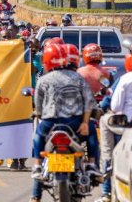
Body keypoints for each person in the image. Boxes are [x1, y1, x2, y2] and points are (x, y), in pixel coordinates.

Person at [30, 44, 98, 202]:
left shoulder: (43, 79)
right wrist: (85, 122)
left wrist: (38, 113)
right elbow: (89, 102)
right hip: (75, 123)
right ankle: (92, 165)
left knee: (38, 136)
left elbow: (38, 107)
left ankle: (38, 167)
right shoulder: (78, 78)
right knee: (92, 133)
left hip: (50, 124)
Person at [97, 44, 132, 202]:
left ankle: (106, 191)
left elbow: (115, 106)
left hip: (127, 127)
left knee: (104, 122)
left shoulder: (126, 78)